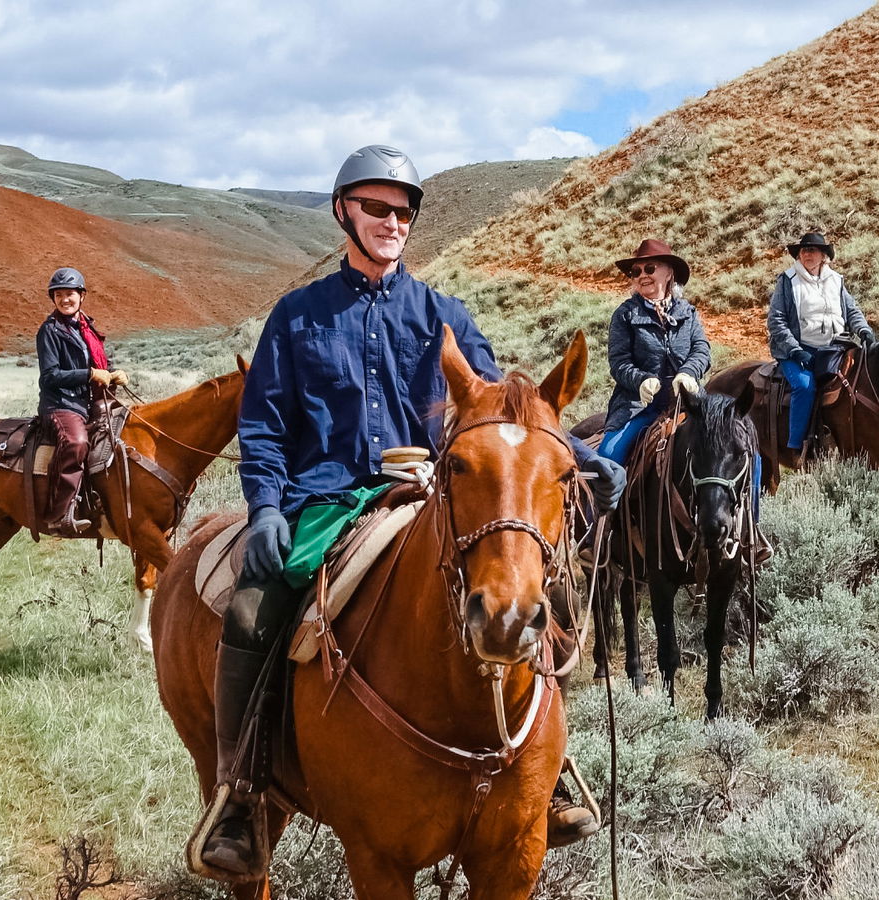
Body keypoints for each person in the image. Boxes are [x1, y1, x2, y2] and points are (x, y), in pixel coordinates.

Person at [200, 145, 625, 877]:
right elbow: (265, 424)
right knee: (251, 612)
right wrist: (266, 506)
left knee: (529, 594)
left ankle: (545, 772)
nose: (393, 222)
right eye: (377, 208)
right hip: (327, 500)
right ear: (344, 213)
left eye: (404, 211)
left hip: (432, 491)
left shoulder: (443, 315)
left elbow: (500, 416)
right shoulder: (298, 318)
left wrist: (581, 461)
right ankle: (241, 794)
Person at [596, 239, 711, 465]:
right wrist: (641, 380)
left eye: (650, 268)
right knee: (608, 458)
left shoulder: (688, 312)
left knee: (746, 450)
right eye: (635, 272)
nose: (642, 275)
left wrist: (688, 373)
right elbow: (619, 362)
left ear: (669, 273)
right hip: (637, 406)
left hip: (689, 402)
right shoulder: (625, 314)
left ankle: (749, 501)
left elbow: (701, 349)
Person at [765, 232, 875, 465]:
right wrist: (794, 350)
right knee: (804, 386)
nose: (806, 254)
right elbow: (776, 320)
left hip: (834, 348)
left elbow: (852, 310)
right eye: (803, 250)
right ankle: (797, 448)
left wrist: (863, 330)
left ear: (824, 256)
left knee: (857, 383)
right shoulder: (787, 280)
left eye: (812, 250)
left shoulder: (836, 280)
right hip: (797, 349)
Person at [35, 267, 127, 533]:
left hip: (86, 402)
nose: (65, 300)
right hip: (61, 404)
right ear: (53, 298)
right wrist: (89, 375)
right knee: (76, 443)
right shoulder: (49, 331)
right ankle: (60, 513)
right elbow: (50, 376)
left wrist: (112, 373)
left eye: (70, 294)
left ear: (82, 296)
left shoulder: (87, 328)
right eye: (59, 295)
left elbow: (96, 363)